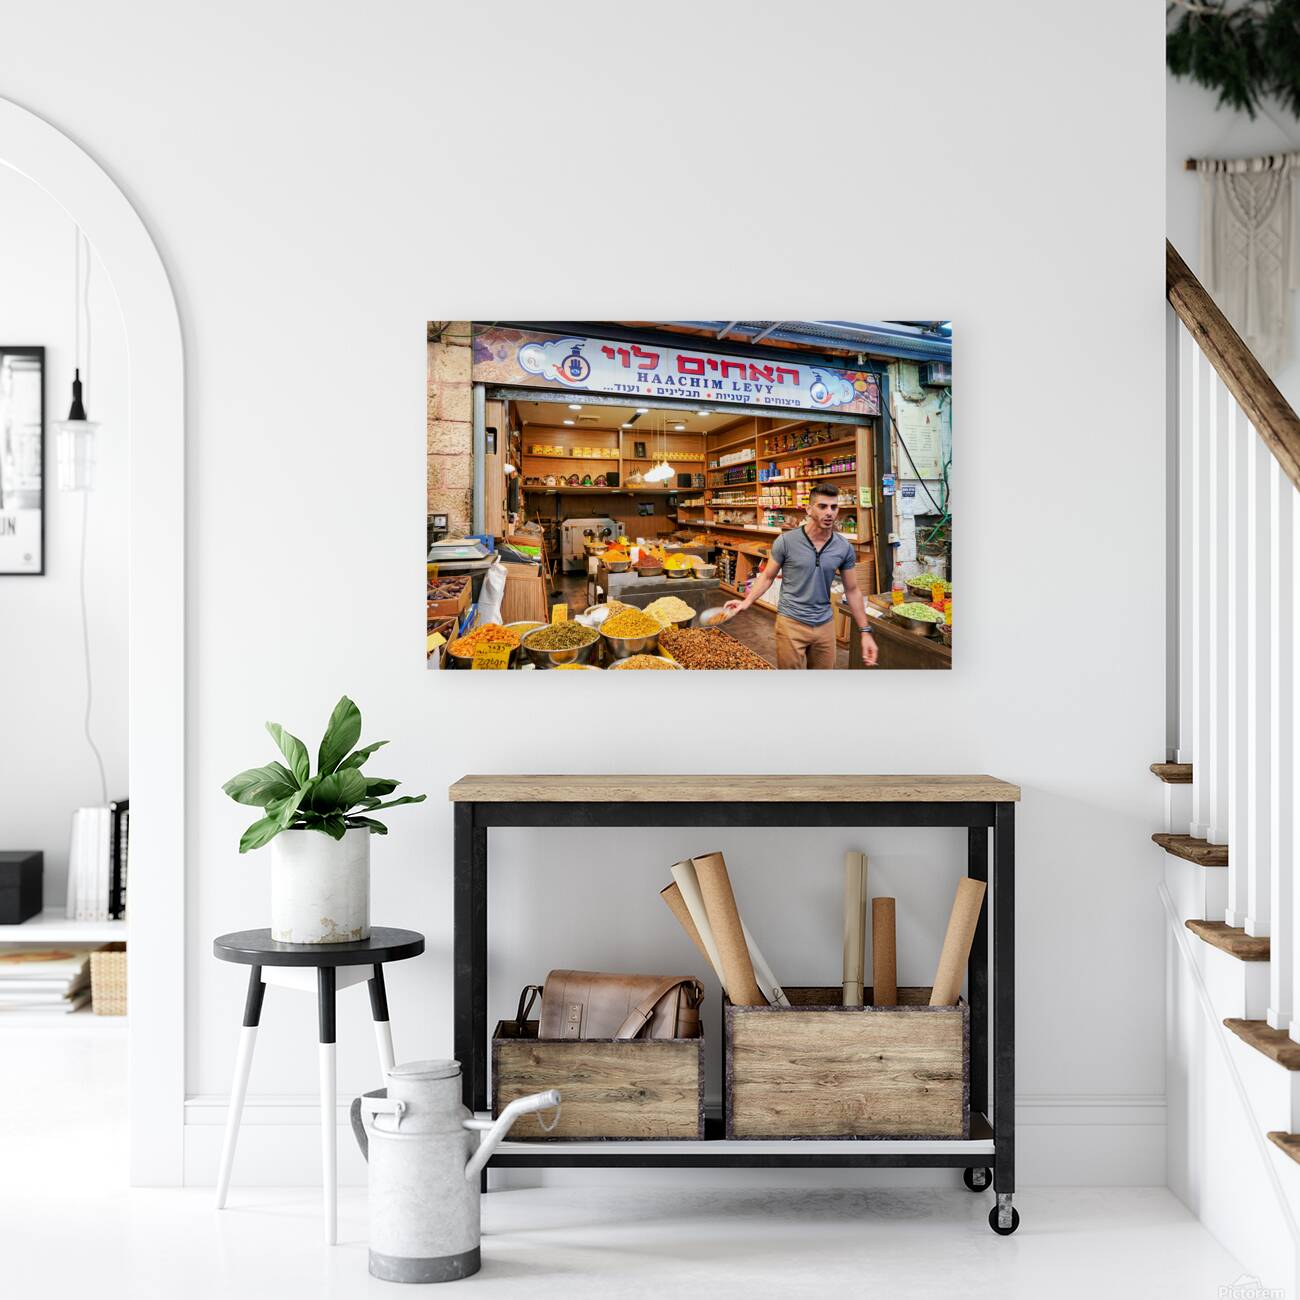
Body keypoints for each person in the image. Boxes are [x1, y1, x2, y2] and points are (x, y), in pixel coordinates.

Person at [724, 482, 879, 669]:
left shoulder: (843, 547)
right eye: (822, 506)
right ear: (809, 509)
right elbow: (767, 577)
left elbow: (853, 590)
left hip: (824, 624)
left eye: (834, 507)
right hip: (791, 623)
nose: (829, 512)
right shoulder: (786, 541)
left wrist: (865, 631)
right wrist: (745, 602)